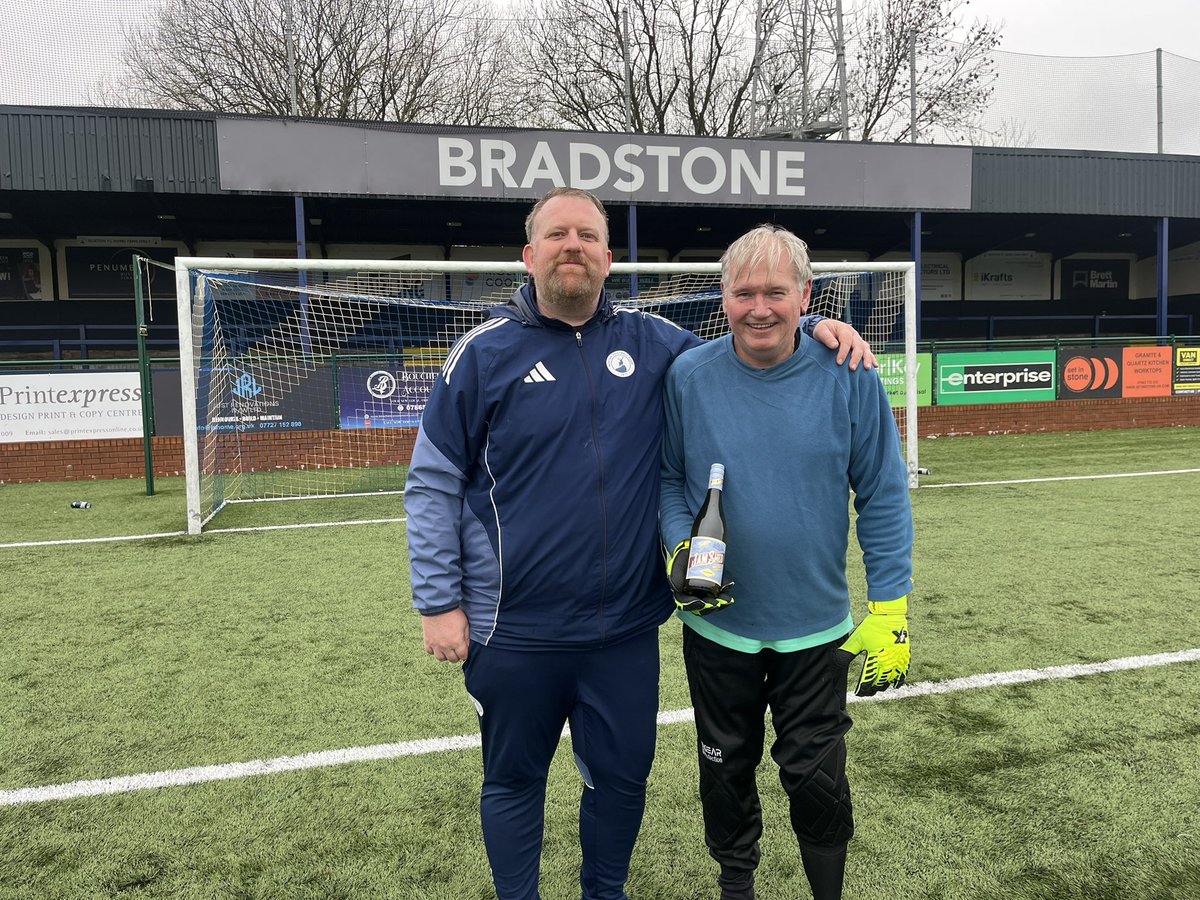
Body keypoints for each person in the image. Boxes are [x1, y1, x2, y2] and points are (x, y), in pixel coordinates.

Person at [404, 188, 874, 900]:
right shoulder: (482, 355)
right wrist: (439, 603)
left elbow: (749, 337)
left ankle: (605, 893)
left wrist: (814, 329)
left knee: (622, 780)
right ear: (529, 256)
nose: (574, 246)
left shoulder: (655, 345)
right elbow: (432, 484)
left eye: (588, 235)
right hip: (513, 629)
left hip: (622, 630)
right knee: (512, 781)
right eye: (557, 234)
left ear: (609, 257)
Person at [659, 224, 913, 900]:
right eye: (745, 292)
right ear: (723, 297)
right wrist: (680, 544)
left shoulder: (849, 373)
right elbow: (666, 478)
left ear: (805, 295)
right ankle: (736, 886)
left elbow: (883, 492)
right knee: (725, 769)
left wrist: (890, 606)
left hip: (816, 626)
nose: (760, 308)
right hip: (719, 626)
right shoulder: (689, 375)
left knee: (817, 779)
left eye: (777, 291)